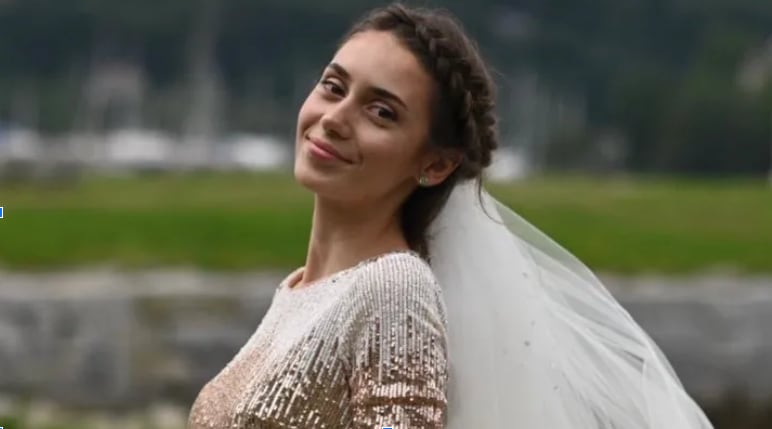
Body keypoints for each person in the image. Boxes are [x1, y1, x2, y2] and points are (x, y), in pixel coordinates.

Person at [188, 4, 714, 428]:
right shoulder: (297, 291)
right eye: (333, 86)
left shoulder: (395, 290)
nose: (335, 119)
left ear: (435, 165)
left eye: (381, 112)